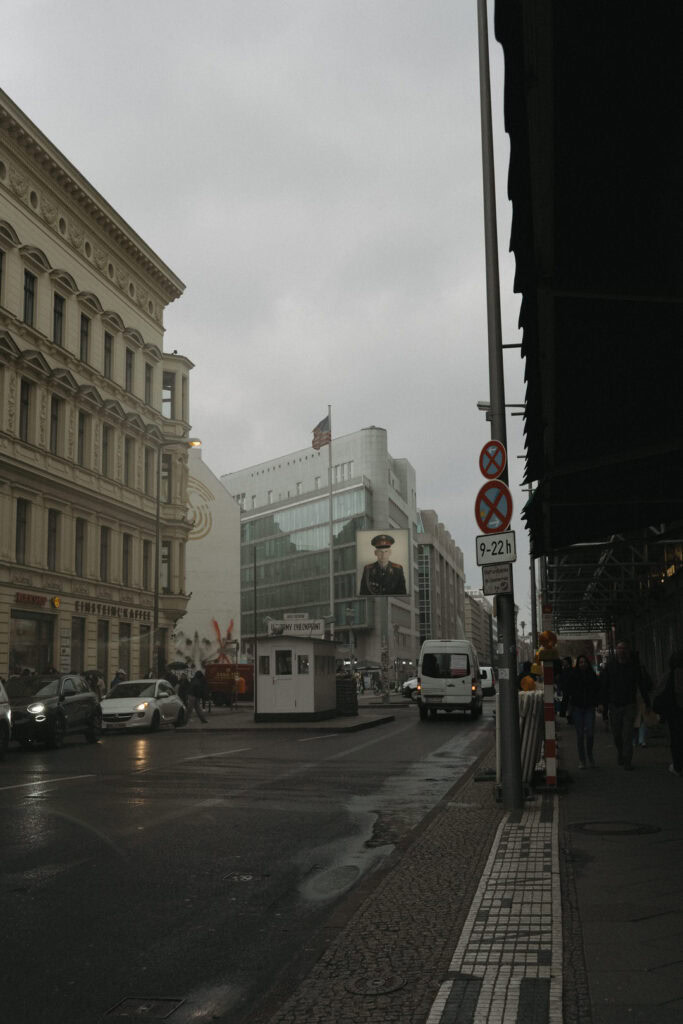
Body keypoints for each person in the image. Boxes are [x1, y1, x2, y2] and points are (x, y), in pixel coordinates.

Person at [599, 640, 650, 770]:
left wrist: (647, 702)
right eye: (619, 648)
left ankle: (627, 760)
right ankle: (621, 752)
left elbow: (641, 685)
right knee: (617, 734)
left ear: (627, 651)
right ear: (616, 651)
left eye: (624, 648)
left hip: (629, 704)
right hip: (615, 705)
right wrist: (603, 706)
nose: (621, 651)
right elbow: (604, 687)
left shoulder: (633, 667)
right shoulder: (610, 667)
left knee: (627, 733)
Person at [566, 655, 600, 768]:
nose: (582, 664)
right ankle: (582, 759)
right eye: (580, 662)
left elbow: (597, 689)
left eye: (584, 662)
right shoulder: (573, 675)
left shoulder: (592, 675)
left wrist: (597, 702)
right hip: (577, 707)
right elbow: (568, 689)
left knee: (590, 733)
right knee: (580, 734)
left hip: (589, 707)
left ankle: (589, 754)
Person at [653, 650, 683, 777]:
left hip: (674, 713)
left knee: (676, 740)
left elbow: (660, 693)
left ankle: (678, 766)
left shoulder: (668, 676)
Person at [632, 650, 653, 748]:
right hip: (641, 697)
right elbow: (647, 684)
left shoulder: (628, 668)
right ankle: (641, 740)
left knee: (634, 720)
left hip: (634, 698)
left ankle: (635, 740)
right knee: (642, 719)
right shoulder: (641, 669)